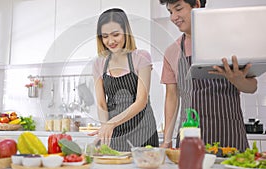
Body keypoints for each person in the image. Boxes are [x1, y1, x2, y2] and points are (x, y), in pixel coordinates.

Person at [159, 0, 257, 152]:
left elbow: (252, 87)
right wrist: (166, 139)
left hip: (230, 135)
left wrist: (239, 81)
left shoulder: (229, 42)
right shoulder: (172, 51)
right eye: (170, 12)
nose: (173, 17)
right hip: (190, 137)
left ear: (196, 5)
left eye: (178, 9)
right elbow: (172, 97)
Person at [89, 8, 159, 151]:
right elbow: (102, 104)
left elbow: (141, 101)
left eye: (116, 34)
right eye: (105, 36)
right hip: (115, 132)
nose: (110, 41)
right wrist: (105, 128)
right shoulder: (99, 63)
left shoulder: (141, 57)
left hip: (143, 130)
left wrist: (111, 124)